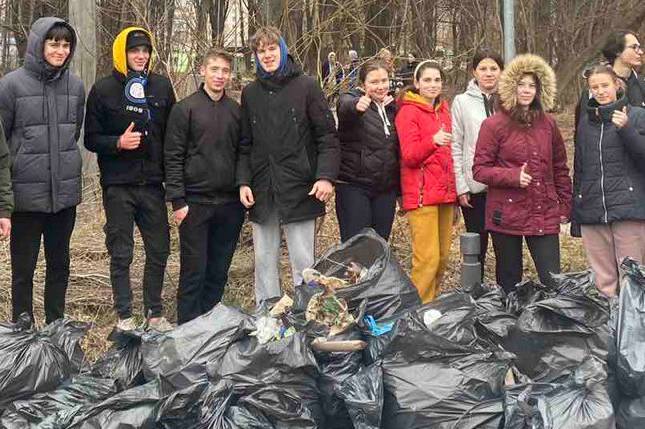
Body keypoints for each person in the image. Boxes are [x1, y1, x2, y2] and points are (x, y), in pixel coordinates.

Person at [237, 26, 340, 307]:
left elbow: (327, 136)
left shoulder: (306, 86)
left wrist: (326, 176)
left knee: (304, 263)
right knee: (264, 261)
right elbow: (244, 143)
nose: (267, 55)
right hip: (262, 188)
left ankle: (308, 315)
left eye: (272, 49)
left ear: (282, 50)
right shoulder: (250, 93)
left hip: (301, 187)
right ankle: (268, 317)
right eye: (261, 51)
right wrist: (244, 182)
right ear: (256, 57)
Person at [85, 27, 176, 331]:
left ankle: (154, 311)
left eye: (146, 51)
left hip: (152, 184)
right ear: (122, 54)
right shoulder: (102, 90)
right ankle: (124, 315)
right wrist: (117, 143)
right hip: (118, 185)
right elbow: (91, 138)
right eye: (134, 51)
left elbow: (173, 137)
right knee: (121, 251)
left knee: (159, 248)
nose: (141, 56)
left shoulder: (161, 87)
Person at [0, 18, 84, 325]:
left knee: (59, 265)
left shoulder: (75, 86)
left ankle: (55, 327)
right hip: (25, 198)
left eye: (65, 45)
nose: (60, 50)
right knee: (23, 269)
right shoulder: (10, 86)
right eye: (54, 44)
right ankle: (22, 331)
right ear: (38, 44)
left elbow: (72, 132)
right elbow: (3, 142)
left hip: (63, 197)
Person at [473, 54, 572, 294]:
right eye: (521, 84)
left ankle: (553, 327)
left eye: (532, 85)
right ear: (510, 86)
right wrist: (512, 176)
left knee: (553, 281)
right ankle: (509, 326)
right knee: (509, 282)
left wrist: (565, 206)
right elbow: (479, 169)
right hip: (506, 214)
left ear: (540, 90)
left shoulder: (548, 124)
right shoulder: (493, 125)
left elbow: (560, 167)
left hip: (543, 211)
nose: (526, 90)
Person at [164, 48, 245, 324]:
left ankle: (210, 329)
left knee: (218, 271)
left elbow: (244, 152)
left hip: (230, 206)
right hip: (194, 205)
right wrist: (178, 201)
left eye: (225, 71)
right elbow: (172, 157)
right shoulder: (184, 109)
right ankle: (187, 330)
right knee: (194, 272)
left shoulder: (236, 111)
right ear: (202, 71)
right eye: (215, 69)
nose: (220, 76)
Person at [573, 64, 645, 297]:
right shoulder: (585, 122)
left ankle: (633, 330)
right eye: (595, 87)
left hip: (628, 209)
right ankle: (608, 328)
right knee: (603, 283)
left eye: (605, 85)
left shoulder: (636, 115)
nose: (601, 91)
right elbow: (580, 167)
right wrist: (577, 209)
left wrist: (627, 129)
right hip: (593, 210)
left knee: (632, 280)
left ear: (616, 85)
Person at [395, 61, 456, 303]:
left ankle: (432, 307)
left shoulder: (444, 110)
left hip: (445, 194)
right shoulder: (408, 112)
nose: (433, 85)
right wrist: (433, 140)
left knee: (441, 259)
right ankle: (416, 313)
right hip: (421, 196)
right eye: (427, 80)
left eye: (437, 80)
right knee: (427, 260)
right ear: (417, 83)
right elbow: (409, 155)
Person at [451, 49, 503, 275]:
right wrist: (461, 185)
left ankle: (507, 298)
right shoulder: (461, 102)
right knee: (475, 250)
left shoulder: (510, 100)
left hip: (504, 186)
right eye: (483, 69)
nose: (489, 74)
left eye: (494, 68)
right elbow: (456, 145)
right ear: (474, 72)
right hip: (475, 187)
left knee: (506, 249)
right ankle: (474, 296)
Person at [335, 59, 399, 242]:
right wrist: (356, 105)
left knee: (378, 246)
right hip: (354, 186)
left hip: (385, 189)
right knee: (356, 248)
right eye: (374, 82)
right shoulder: (354, 100)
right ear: (363, 84)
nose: (380, 86)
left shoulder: (392, 107)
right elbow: (344, 105)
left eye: (384, 81)